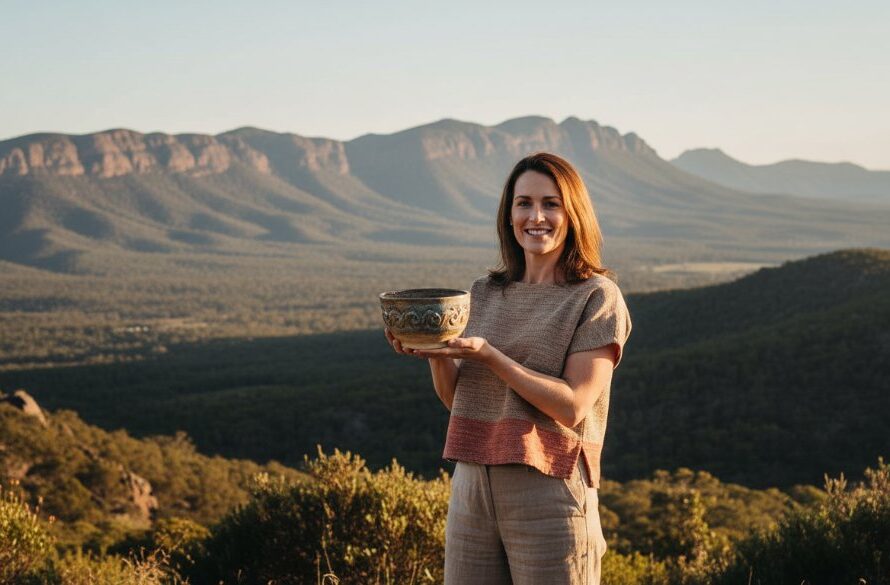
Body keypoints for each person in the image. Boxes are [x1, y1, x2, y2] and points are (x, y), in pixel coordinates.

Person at [384, 152, 632, 584]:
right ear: (509, 213)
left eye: (551, 203)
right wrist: (435, 352)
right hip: (472, 483)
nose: (536, 216)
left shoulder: (596, 297)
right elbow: (456, 399)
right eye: (524, 203)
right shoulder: (483, 292)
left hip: (550, 486)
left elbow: (573, 406)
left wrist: (491, 357)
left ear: (573, 213)